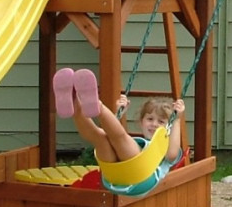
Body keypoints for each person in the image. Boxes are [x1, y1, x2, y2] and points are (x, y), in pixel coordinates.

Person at [52, 67, 185, 196]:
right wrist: (118, 114)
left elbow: (172, 154)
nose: (154, 124)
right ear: (141, 122)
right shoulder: (138, 143)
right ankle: (75, 104)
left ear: (169, 126)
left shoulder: (163, 149)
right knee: (100, 138)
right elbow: (113, 135)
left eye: (161, 122)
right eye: (150, 119)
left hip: (142, 177)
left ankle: (97, 106)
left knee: (120, 137)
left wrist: (177, 120)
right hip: (113, 175)